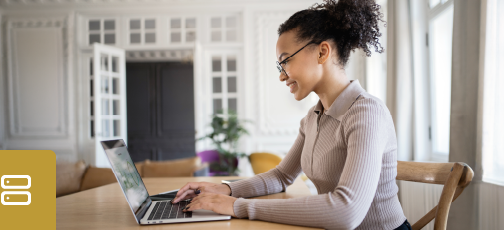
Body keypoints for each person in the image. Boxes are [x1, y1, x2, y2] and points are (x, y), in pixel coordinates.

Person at [172, 0, 409, 229]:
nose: (282, 76)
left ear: (322, 52)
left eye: (285, 61)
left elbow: (346, 211)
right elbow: (281, 176)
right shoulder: (312, 118)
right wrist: (226, 189)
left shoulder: (366, 113)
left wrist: (239, 206)